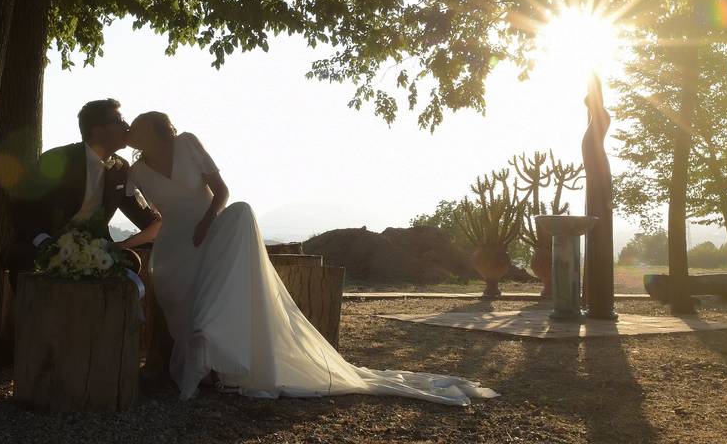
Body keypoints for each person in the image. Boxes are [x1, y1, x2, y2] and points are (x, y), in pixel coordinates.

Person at [118, 111, 498, 405]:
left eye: (136, 128)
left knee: (238, 227)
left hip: (210, 230)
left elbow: (222, 191)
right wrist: (128, 243)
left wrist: (206, 222)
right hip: (173, 247)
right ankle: (205, 370)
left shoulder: (187, 144)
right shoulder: (135, 172)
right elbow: (158, 218)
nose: (132, 135)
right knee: (181, 305)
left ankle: (220, 368)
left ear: (155, 130)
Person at [2, 99, 162, 287]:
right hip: (46, 243)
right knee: (24, 259)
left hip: (94, 249)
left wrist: (173, 227)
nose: (127, 126)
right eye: (119, 121)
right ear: (97, 130)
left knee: (132, 261)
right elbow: (21, 206)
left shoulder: (121, 168)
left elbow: (143, 216)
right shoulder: (58, 159)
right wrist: (44, 241)